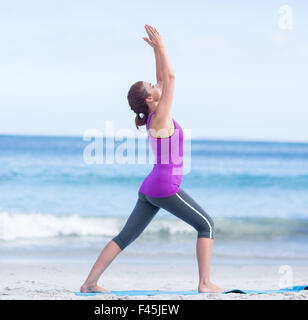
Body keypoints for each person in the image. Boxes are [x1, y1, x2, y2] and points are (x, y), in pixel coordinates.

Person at [80, 24, 221, 293]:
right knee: (207, 225)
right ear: (148, 98)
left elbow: (162, 78)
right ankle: (204, 283)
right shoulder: (161, 116)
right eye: (151, 86)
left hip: (150, 187)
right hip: (165, 187)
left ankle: (89, 283)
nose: (157, 84)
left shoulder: (154, 117)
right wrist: (162, 46)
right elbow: (170, 78)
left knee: (125, 237)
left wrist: (156, 50)